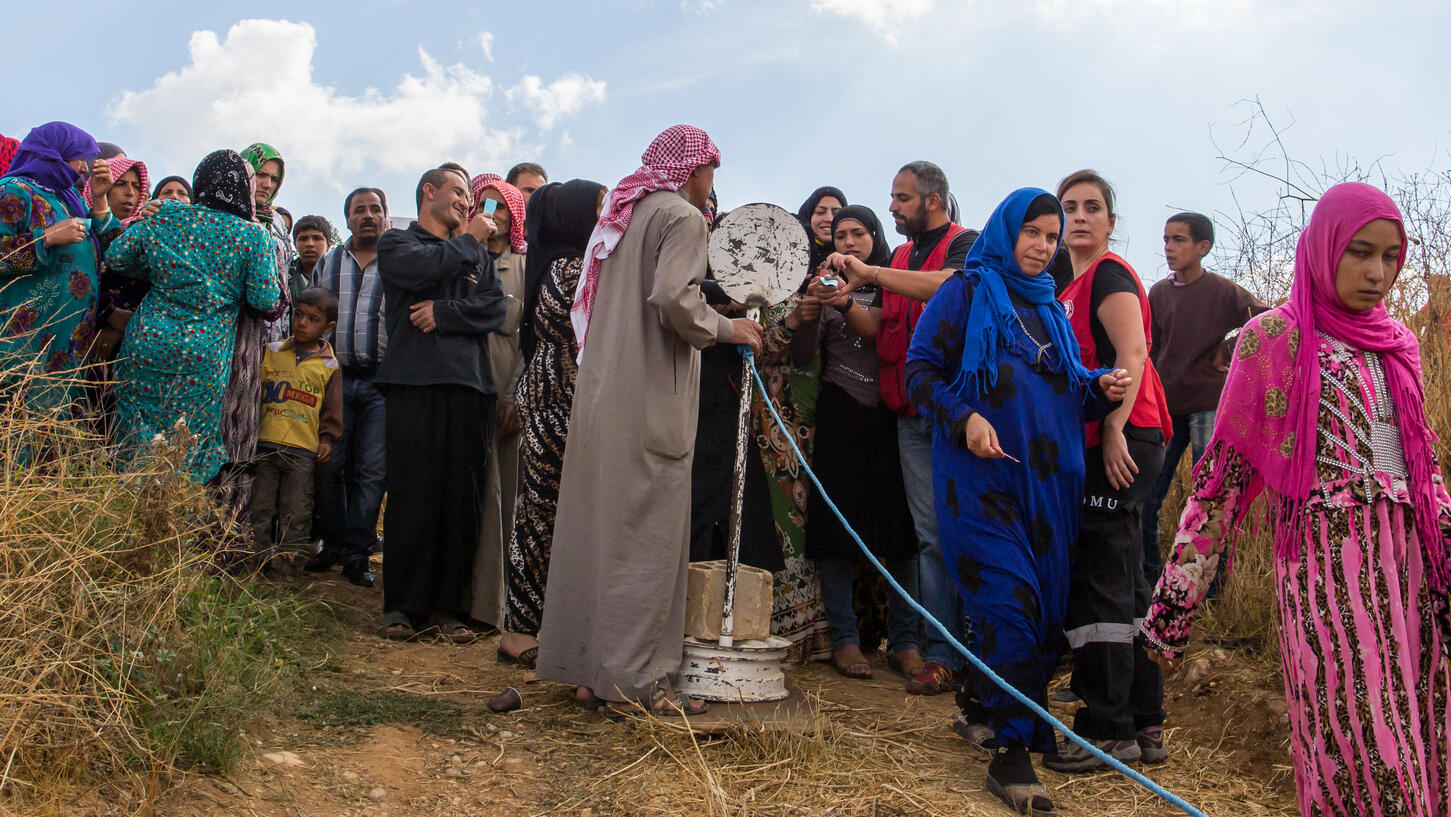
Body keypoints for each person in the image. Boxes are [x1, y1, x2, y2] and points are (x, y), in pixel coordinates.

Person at [1142, 183, 1451, 817]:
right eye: (1359, 251)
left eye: (1391, 256)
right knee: (1364, 745)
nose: (1376, 272)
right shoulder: (1273, 339)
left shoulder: (1399, 343)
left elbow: (1424, 471)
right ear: (1323, 247)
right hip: (1328, 572)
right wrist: (1172, 612)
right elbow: (1219, 485)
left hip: (1414, 569)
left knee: (1427, 734)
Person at [907, 188, 1129, 816]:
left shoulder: (1052, 311)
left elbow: (1063, 391)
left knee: (1041, 618)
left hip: (1050, 490)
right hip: (981, 484)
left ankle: (986, 704)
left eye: (1051, 237)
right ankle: (1013, 753)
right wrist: (965, 416)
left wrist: (1100, 387)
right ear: (1007, 232)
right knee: (1010, 605)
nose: (1042, 246)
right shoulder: (967, 291)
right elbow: (920, 372)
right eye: (1031, 232)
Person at [534, 125, 762, 718]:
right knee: (644, 543)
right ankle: (633, 684)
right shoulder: (683, 218)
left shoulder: (623, 217)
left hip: (604, 398)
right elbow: (672, 299)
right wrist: (727, 328)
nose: (713, 183)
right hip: (650, 401)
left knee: (600, 535)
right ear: (693, 170)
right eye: (712, 169)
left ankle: (590, 672)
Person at [825, 160, 977, 694]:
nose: (892, 207)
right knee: (928, 538)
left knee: (960, 532)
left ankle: (963, 649)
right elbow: (880, 327)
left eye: (902, 198)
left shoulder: (966, 244)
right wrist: (844, 302)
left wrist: (869, 274)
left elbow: (946, 289)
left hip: (954, 413)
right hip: (909, 415)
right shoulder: (904, 255)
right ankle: (940, 653)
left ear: (933, 200)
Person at [1047, 169, 1173, 772]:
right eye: (1069, 207)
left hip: (1124, 434)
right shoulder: (1065, 283)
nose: (1079, 217)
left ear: (1111, 222)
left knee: (1101, 581)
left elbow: (1133, 355)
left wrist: (1116, 427)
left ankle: (1106, 730)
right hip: (1102, 435)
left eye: (1092, 207)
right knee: (1123, 579)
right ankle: (1145, 723)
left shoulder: (1109, 274)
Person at [374, 162, 507, 642]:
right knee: (413, 494)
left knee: (460, 499)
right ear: (427, 192)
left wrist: (443, 311)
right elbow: (419, 269)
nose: (465, 200)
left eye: (468, 194)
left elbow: (494, 307)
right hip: (414, 384)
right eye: (456, 190)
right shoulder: (398, 243)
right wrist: (469, 240)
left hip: (470, 387)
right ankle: (402, 608)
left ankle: (450, 610)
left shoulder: (481, 257)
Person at [106, 149, 281, 482]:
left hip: (146, 344)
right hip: (203, 355)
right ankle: (171, 520)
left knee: (133, 438)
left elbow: (117, 258)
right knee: (187, 442)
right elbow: (264, 298)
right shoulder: (252, 235)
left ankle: (124, 515)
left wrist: (158, 265)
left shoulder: (166, 214)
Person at [798, 204, 921, 679]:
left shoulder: (896, 283)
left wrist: (846, 302)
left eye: (859, 233)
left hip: (889, 414)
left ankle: (906, 640)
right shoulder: (821, 286)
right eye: (841, 235)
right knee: (835, 529)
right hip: (841, 412)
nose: (848, 242)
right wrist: (809, 314)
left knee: (902, 532)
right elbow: (806, 354)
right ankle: (845, 640)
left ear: (875, 239)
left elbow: (887, 340)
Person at [496, 178, 606, 667]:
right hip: (557, 406)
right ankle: (518, 633)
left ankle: (535, 626)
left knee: (542, 517)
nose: (611, 214)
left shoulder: (559, 265)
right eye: (601, 207)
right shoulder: (569, 270)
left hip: (553, 402)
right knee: (539, 520)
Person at [1141, 212, 1265, 585]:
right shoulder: (1159, 293)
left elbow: (1266, 320)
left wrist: (1230, 350)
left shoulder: (1222, 291)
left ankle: (1209, 587)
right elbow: (1151, 347)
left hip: (1208, 405)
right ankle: (1150, 577)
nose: (1169, 248)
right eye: (1166, 240)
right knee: (1147, 497)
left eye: (1178, 240)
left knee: (1211, 498)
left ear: (1202, 247)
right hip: (1166, 406)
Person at [0, 122, 118, 416]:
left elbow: (114, 250)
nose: (83, 168)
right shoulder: (13, 191)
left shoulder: (69, 198)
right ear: (51, 155)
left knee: (55, 425)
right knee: (19, 419)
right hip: (25, 339)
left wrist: (100, 197)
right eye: (77, 158)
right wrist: (46, 238)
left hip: (68, 341)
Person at [306, 187, 389, 588]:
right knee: (330, 465)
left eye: (375, 209)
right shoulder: (328, 262)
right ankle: (335, 545)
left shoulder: (399, 260)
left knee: (372, 471)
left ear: (386, 216)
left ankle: (359, 554)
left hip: (381, 382)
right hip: (334, 379)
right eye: (360, 210)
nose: (368, 216)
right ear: (347, 219)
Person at [468, 175, 528, 628]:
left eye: (502, 208)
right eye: (484, 205)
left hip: (502, 388)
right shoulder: (458, 256)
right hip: (460, 386)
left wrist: (515, 396)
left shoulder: (523, 266)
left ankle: (492, 606)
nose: (493, 215)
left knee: (501, 496)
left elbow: (529, 339)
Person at [252, 287, 341, 581]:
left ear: (327, 328)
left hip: (302, 451)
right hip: (266, 444)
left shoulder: (329, 366)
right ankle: (259, 562)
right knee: (261, 507)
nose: (301, 323)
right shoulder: (273, 351)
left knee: (296, 512)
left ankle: (289, 567)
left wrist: (327, 439)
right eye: (298, 315)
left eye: (312, 319)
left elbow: (332, 409)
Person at [86, 156, 150, 366]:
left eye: (136, 186)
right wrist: (109, 315)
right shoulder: (79, 227)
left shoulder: (144, 231)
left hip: (132, 345)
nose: (130, 193)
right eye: (120, 184)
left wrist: (125, 324)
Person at [240, 143, 296, 342]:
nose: (267, 184)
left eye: (274, 179)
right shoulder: (231, 217)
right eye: (261, 175)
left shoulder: (277, 221)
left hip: (274, 330)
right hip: (237, 326)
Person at [798, 185, 846, 270]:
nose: (829, 219)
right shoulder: (790, 253)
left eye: (837, 213)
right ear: (808, 216)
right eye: (820, 212)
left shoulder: (854, 259)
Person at [291, 215, 333, 299]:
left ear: (329, 245)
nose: (309, 244)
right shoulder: (285, 276)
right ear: (295, 244)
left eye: (317, 238)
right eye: (303, 239)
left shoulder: (338, 274)